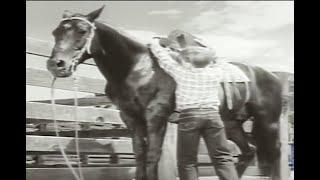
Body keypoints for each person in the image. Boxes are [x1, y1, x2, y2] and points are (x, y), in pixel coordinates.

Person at [148, 41, 239, 180]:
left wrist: (154, 44)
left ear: (188, 62)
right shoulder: (216, 72)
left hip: (189, 116)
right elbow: (222, 61)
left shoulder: (181, 73)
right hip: (213, 116)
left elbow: (163, 59)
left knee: (187, 161)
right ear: (208, 62)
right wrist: (210, 51)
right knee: (223, 157)